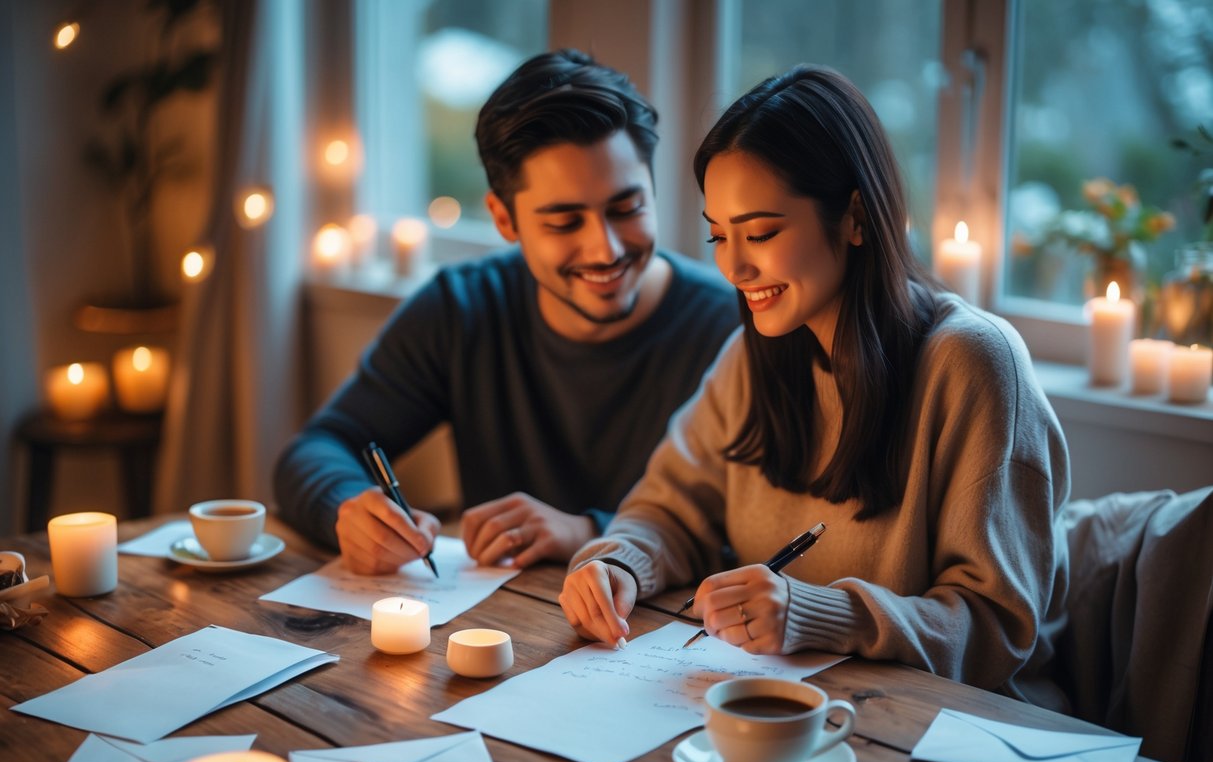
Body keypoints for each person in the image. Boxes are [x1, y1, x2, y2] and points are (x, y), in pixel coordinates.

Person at [559, 65, 1071, 709]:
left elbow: (998, 628)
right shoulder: (758, 353)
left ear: (855, 217)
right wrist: (618, 565)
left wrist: (821, 613)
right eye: (719, 235)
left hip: (963, 731)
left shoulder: (971, 362)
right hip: (805, 704)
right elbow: (667, 507)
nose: (735, 267)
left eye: (763, 232)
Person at [274, 50, 738, 576]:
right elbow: (318, 447)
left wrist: (587, 530)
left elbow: (764, 537)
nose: (604, 249)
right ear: (503, 219)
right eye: (564, 222)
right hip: (494, 633)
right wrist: (347, 507)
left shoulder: (731, 329)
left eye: (627, 209)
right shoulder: (461, 309)